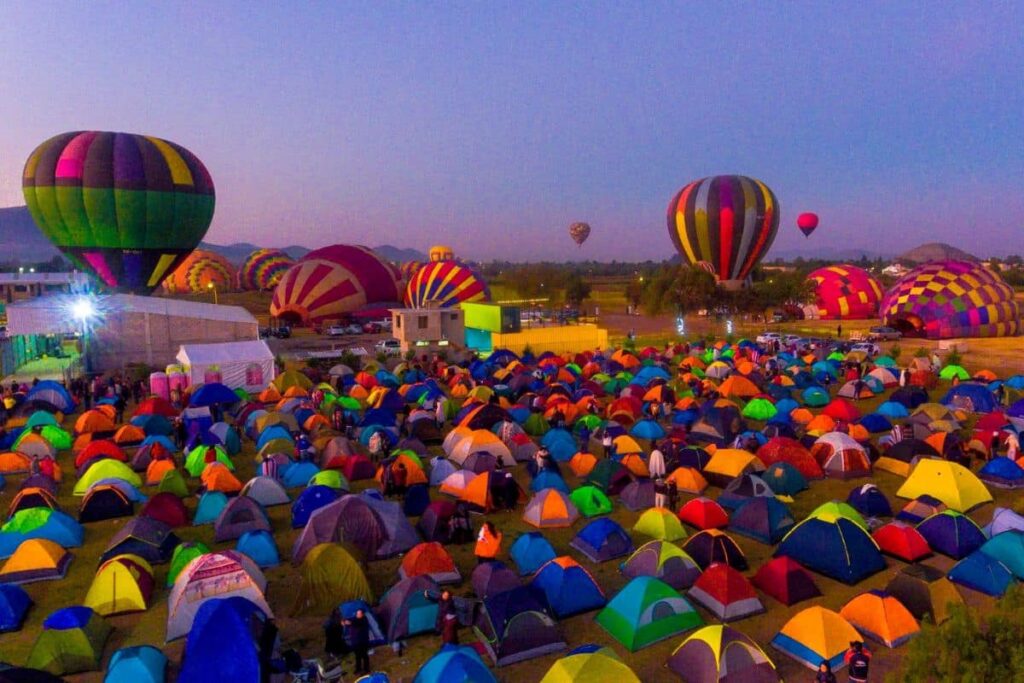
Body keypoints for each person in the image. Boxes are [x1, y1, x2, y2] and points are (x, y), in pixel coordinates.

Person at [344, 608, 371, 675]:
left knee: (364, 655)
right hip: (356, 641)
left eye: (359, 614)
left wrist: (350, 622)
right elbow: (352, 620)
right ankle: (358, 669)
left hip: (363, 641)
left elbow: (357, 623)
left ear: (362, 614)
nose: (358, 615)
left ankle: (366, 669)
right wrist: (345, 621)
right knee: (357, 656)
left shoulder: (364, 620)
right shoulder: (355, 619)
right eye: (357, 613)